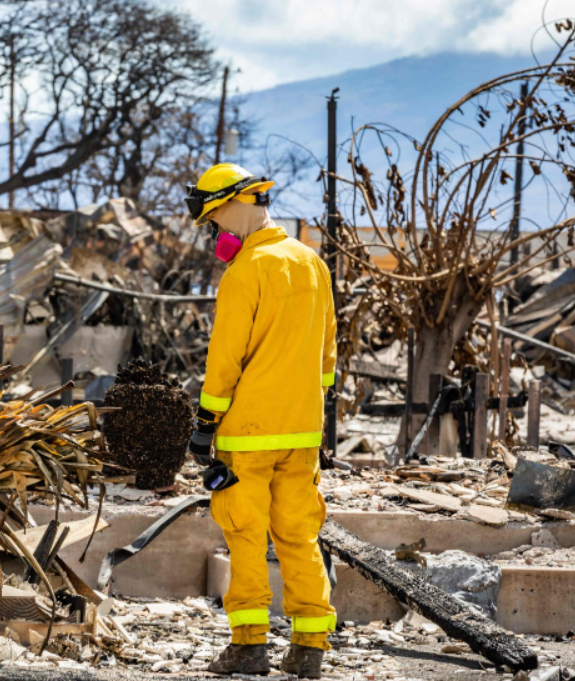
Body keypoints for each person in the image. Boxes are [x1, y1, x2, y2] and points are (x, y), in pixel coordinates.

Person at [184, 164, 337, 678]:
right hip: (303, 431)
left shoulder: (245, 272)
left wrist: (206, 420)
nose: (217, 232)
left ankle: (249, 646)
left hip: (249, 432)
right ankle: (310, 647)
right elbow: (328, 354)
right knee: (299, 534)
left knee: (245, 534)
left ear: (234, 204)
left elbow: (224, 360)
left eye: (215, 219)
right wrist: (314, 412)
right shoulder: (312, 263)